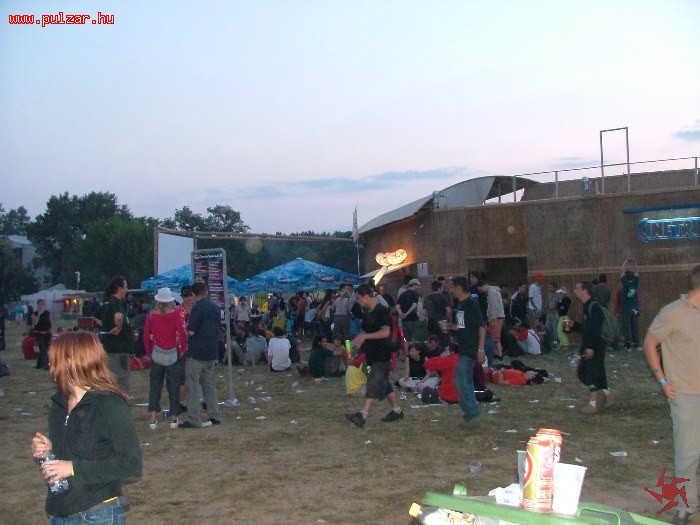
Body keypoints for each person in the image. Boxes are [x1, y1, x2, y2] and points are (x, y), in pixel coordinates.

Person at [30, 332, 142, 524]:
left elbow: (130, 463)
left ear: (74, 361)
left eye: (55, 358)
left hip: (97, 513)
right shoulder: (59, 403)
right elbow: (70, 452)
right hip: (60, 511)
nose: (50, 364)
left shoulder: (109, 405)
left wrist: (73, 468)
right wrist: (47, 452)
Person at [643, 264, 700, 525]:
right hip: (686, 394)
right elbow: (650, 343)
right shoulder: (672, 313)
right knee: (688, 454)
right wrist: (663, 380)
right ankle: (685, 507)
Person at [345, 284, 404, 427]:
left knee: (373, 382)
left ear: (366, 296)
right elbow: (362, 333)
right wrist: (349, 346)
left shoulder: (381, 311)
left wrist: (366, 337)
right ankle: (397, 411)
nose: (357, 301)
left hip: (382, 354)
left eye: (358, 298)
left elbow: (385, 332)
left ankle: (363, 415)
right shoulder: (368, 312)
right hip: (372, 354)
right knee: (384, 383)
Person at [143, 287, 188, 430]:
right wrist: (183, 349)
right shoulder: (175, 314)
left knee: (155, 386)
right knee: (173, 386)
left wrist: (149, 351)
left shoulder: (151, 315)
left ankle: (153, 419)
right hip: (172, 353)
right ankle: (174, 418)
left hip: (157, 353)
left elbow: (146, 335)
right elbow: (182, 333)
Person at [446, 276, 486, 428]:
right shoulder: (460, 304)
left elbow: (481, 326)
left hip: (471, 348)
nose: (451, 290)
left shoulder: (471, 303)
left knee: (463, 381)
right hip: (464, 348)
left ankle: (472, 414)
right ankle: (471, 413)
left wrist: (480, 349)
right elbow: (463, 326)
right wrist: (451, 327)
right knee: (460, 381)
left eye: (452, 287)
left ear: (458, 288)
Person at [181, 282, 221, 428]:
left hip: (197, 352)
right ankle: (214, 415)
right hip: (211, 351)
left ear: (193, 294)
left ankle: (194, 419)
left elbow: (191, 331)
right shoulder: (215, 307)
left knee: (192, 387)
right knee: (209, 386)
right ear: (206, 292)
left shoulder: (197, 308)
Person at [573, 281, 615, 414]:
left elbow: (596, 329)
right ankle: (608, 393)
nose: (575, 291)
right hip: (589, 345)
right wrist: (574, 326)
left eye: (577, 288)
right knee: (591, 372)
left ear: (585, 291)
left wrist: (590, 347)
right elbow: (587, 328)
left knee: (590, 373)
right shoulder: (587, 306)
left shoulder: (594, 307)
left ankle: (593, 404)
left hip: (595, 346)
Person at [94, 276, 133, 394]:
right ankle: (120, 401)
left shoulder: (107, 304)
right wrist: (119, 328)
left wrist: (105, 326)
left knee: (111, 378)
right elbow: (118, 316)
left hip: (109, 347)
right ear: (119, 288)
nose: (127, 289)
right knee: (121, 380)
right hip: (119, 348)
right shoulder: (116, 303)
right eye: (125, 287)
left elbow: (95, 316)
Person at [477, 280, 505, 360]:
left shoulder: (491, 292)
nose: (481, 291)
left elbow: (493, 306)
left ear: (484, 285)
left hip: (496, 317)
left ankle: (499, 354)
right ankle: (496, 353)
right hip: (497, 316)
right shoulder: (493, 291)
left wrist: (492, 319)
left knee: (496, 337)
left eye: (481, 289)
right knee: (494, 336)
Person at [620, 257, 641, 350]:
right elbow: (637, 272)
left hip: (626, 307)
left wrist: (625, 262)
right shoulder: (636, 283)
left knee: (626, 326)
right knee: (635, 326)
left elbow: (622, 271)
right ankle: (636, 343)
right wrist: (634, 263)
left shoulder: (625, 283)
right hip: (635, 307)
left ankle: (628, 343)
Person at [31, 299, 52, 370]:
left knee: (45, 348)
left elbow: (50, 323)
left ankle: (39, 365)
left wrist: (50, 332)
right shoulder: (35, 314)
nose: (41, 306)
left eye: (43, 304)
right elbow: (34, 324)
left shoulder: (47, 313)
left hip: (46, 333)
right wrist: (39, 315)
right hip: (38, 333)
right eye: (40, 304)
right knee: (43, 349)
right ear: (37, 305)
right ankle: (46, 364)